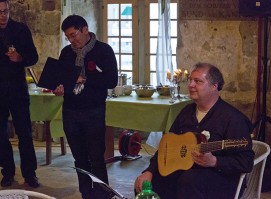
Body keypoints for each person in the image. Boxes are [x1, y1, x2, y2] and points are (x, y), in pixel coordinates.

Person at [134, 63, 255, 199]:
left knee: (189, 181)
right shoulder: (186, 112)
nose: (191, 85)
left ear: (214, 86)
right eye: (190, 80)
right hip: (186, 174)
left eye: (198, 81)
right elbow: (166, 147)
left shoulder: (233, 119)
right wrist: (149, 171)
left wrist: (215, 161)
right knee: (144, 185)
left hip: (222, 179)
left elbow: (246, 162)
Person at [53, 15, 118, 199]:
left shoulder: (103, 51)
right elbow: (62, 78)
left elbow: (111, 80)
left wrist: (85, 79)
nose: (72, 40)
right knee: (80, 159)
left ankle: (103, 195)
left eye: (74, 35)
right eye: (68, 37)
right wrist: (59, 88)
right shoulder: (66, 53)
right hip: (71, 111)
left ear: (85, 30)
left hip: (94, 111)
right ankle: (86, 194)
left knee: (96, 158)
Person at [0, 0, 39, 188]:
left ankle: (30, 174)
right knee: (0, 135)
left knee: (24, 133)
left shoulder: (20, 30)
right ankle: (7, 172)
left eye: (6, 11)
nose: (3, 16)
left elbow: (34, 56)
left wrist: (20, 58)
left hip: (17, 88)